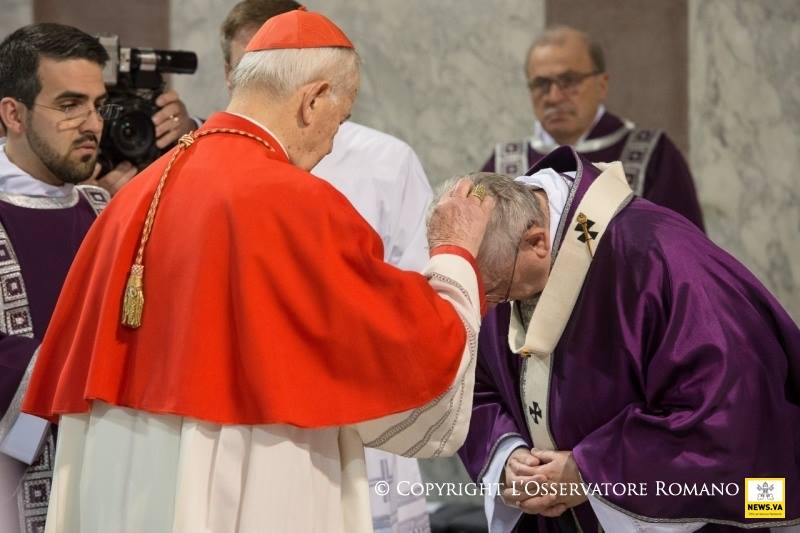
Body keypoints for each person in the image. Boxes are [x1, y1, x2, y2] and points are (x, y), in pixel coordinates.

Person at [22, 10, 494, 533]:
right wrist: (455, 253)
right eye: (339, 118)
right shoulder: (296, 201)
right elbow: (410, 345)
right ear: (312, 100)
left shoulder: (138, 191)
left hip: (121, 468)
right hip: (247, 465)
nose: (334, 141)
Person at [456, 146, 800, 532]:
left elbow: (725, 411)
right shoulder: (496, 254)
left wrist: (591, 469)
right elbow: (475, 381)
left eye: (499, 292)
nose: (493, 305)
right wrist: (507, 456)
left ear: (537, 242)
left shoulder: (662, 260)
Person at [221, 2, 434, 530]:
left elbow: (420, 292)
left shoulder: (387, 160)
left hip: (367, 423)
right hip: (256, 423)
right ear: (231, 74)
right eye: (249, 68)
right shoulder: (210, 165)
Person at [0, 23, 119, 533]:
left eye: (97, 105)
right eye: (69, 105)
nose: (92, 123)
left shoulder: (105, 211)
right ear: (14, 114)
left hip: (106, 469)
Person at [482, 26, 704, 231]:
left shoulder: (654, 157)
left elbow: (684, 254)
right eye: (541, 84)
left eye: (569, 80)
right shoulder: (503, 167)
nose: (554, 96)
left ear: (602, 85)